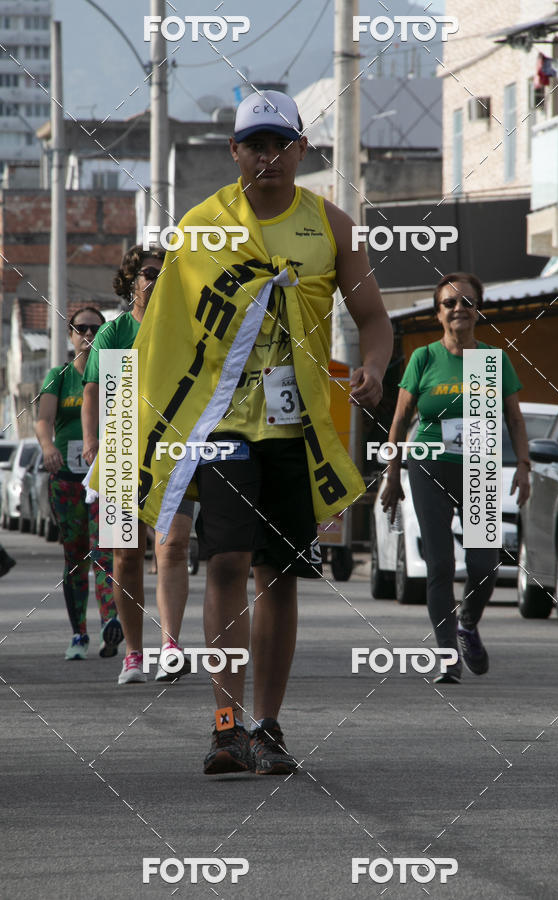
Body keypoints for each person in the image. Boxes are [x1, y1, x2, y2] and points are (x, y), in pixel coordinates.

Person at [127, 89, 393, 774]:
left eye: (280, 144)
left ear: (302, 150)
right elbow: (164, 334)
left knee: (280, 576)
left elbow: (373, 318)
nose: (267, 157)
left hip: (294, 426)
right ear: (234, 152)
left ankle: (268, 727)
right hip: (221, 425)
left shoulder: (331, 225)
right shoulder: (203, 227)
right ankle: (224, 726)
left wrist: (372, 367)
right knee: (224, 563)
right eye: (254, 145)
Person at [381, 272, 531, 683]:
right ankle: (447, 656)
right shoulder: (424, 358)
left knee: (484, 564)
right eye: (450, 303)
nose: (459, 309)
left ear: (478, 311)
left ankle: (467, 623)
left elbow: (514, 420)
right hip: (428, 465)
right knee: (440, 563)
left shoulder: (492, 360)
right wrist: (392, 475)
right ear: (438, 313)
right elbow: (399, 421)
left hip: (480, 466)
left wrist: (523, 466)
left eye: (467, 302)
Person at [81, 245, 193, 684]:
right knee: (126, 557)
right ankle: (134, 652)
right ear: (132, 282)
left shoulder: (183, 329)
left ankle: (170, 645)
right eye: (149, 273)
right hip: (123, 446)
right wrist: (92, 440)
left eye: (165, 273)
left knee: (173, 546)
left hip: (174, 450)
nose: (157, 279)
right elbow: (95, 392)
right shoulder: (115, 332)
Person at [35, 307, 121, 660]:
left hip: (105, 476)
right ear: (70, 335)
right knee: (76, 556)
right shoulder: (60, 375)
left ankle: (110, 626)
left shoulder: (113, 373)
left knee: (104, 553)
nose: (87, 333)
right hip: (68, 479)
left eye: (95, 328)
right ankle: (79, 635)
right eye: (80, 328)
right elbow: (43, 419)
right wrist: (47, 446)